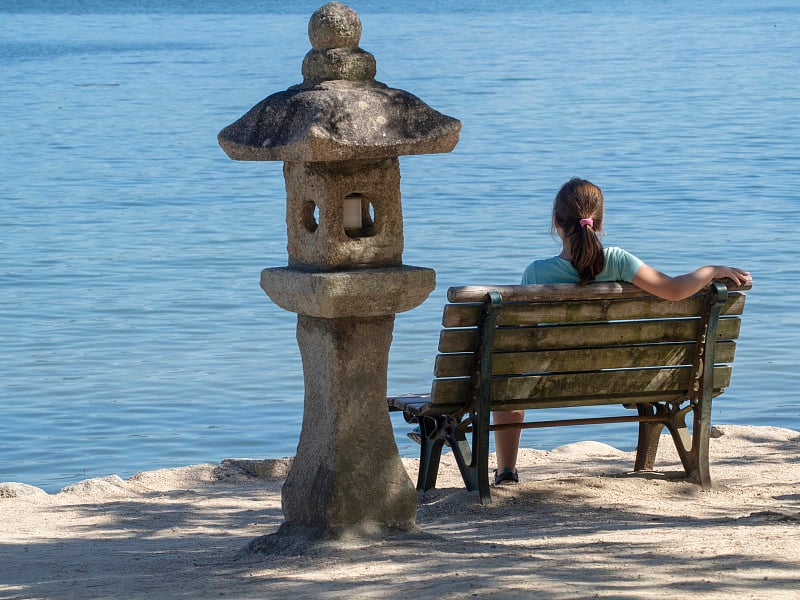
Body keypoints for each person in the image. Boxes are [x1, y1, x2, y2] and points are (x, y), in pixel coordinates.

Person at [492, 177, 752, 485]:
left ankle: (507, 472)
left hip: (550, 382)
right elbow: (673, 290)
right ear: (598, 224)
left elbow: (519, 341)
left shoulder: (535, 272)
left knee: (505, 384)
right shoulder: (617, 260)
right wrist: (711, 271)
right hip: (615, 378)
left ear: (555, 223)